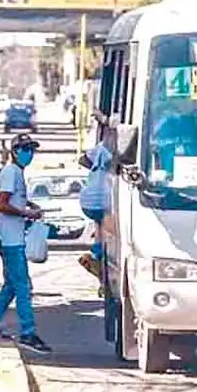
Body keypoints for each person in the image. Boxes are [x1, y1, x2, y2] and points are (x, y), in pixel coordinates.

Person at [0, 134, 51, 354]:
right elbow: (2, 204)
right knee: (23, 286)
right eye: (26, 149)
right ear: (15, 151)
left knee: (11, 285)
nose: (30, 153)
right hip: (11, 240)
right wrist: (26, 212)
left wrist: (26, 205)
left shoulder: (15, 173)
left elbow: (7, 200)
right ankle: (28, 333)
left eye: (32, 149)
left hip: (11, 237)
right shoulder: (11, 172)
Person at [77, 111, 114, 288]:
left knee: (100, 227)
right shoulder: (118, 148)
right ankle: (102, 263)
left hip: (88, 199)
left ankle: (96, 255)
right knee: (109, 232)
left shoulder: (100, 147)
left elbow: (82, 159)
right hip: (104, 198)